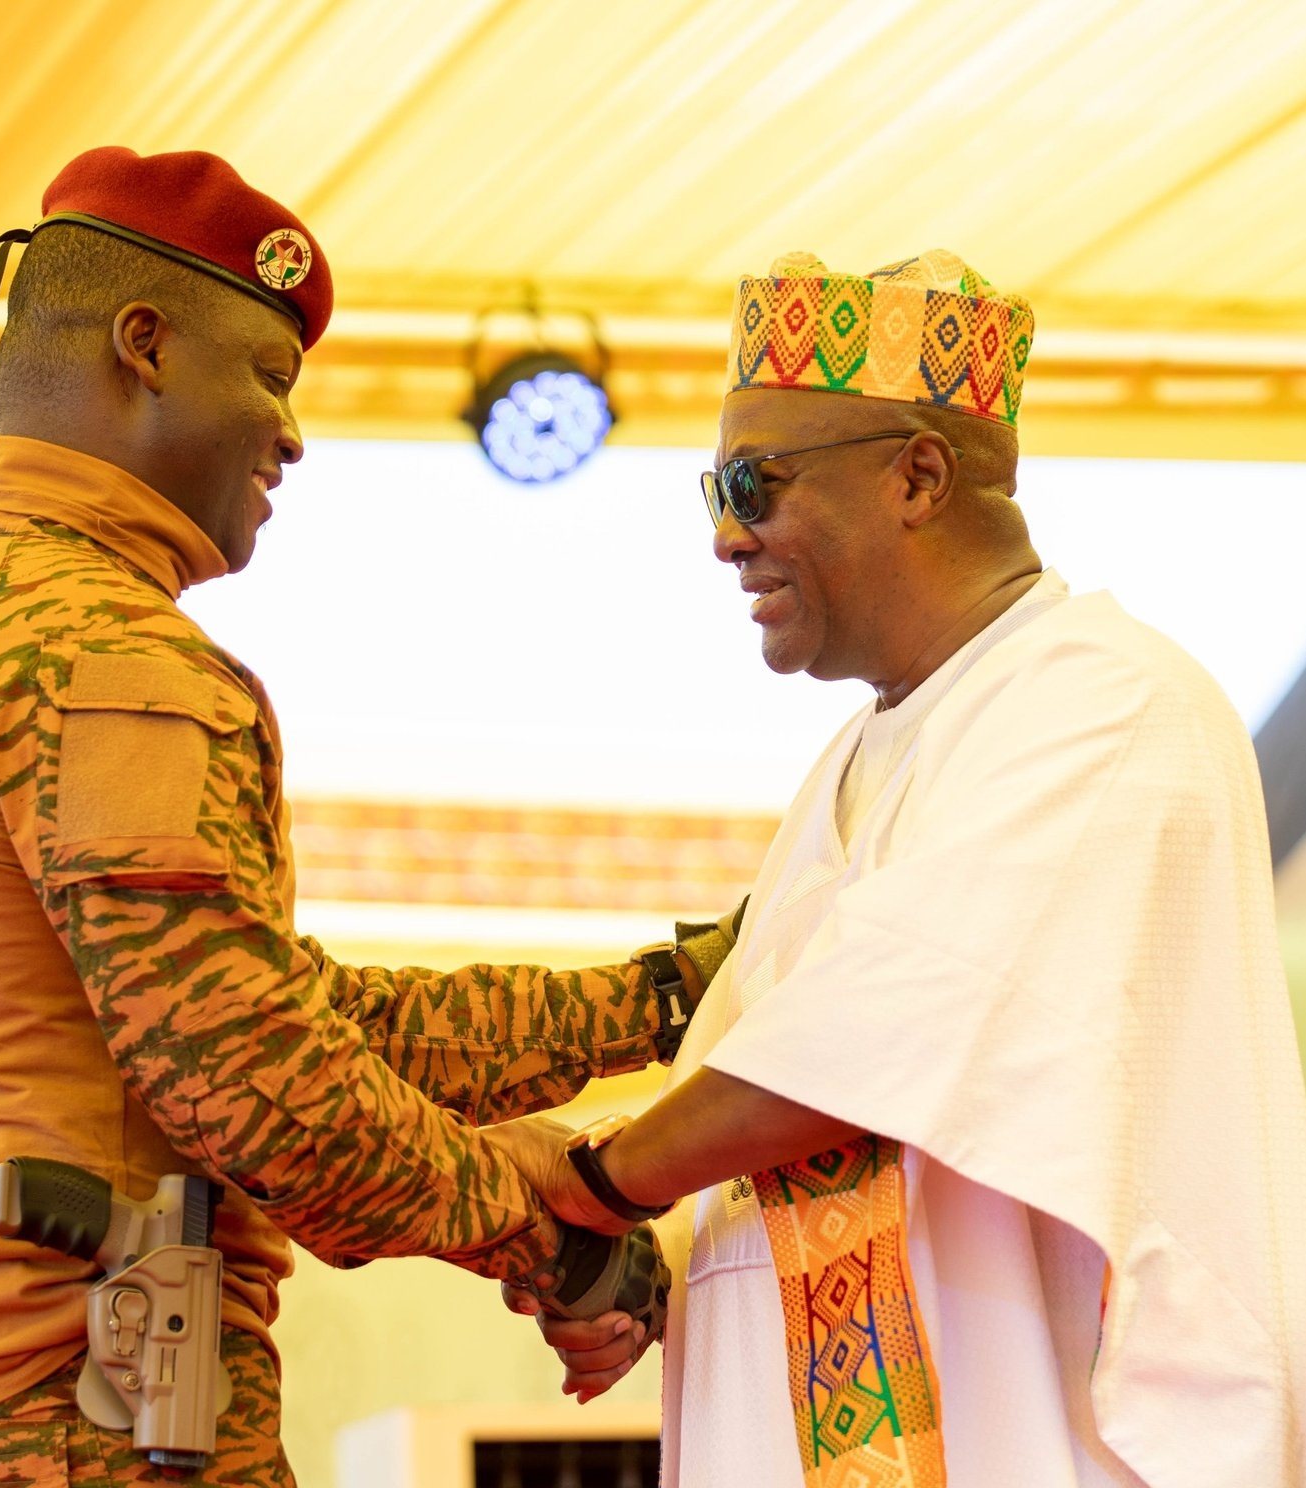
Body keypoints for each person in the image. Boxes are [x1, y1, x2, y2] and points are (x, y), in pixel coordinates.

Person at [0, 147, 722, 1488]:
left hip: (24, 1417)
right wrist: (557, 1234)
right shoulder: (98, 653)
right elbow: (262, 1092)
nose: (292, 435)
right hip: (49, 1422)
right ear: (145, 345)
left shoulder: (0, 615)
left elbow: (294, 1025)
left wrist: (662, 998)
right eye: (272, 379)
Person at [505, 250, 1306, 1486]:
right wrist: (649, 1270)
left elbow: (873, 1033)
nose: (725, 536)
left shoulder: (1098, 700)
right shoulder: (867, 753)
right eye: (708, 491)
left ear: (916, 476)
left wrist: (597, 1185)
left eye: (751, 483)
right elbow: (804, 1129)